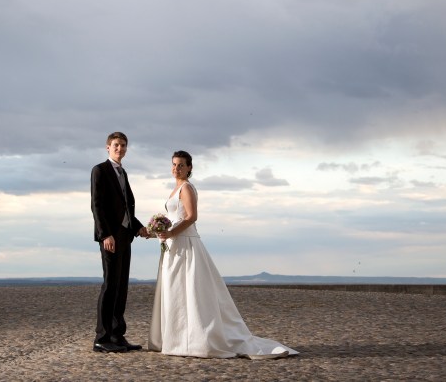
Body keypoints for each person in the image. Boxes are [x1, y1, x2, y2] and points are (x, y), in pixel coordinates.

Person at [147, 150, 299, 359]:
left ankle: (193, 339)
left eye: (181, 165)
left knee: (191, 290)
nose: (176, 169)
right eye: (174, 164)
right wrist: (157, 231)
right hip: (173, 244)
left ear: (190, 167)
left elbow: (191, 217)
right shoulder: (175, 189)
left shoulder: (187, 188)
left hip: (186, 244)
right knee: (176, 290)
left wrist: (172, 232)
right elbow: (175, 216)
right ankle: (175, 337)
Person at [91, 132, 148, 353]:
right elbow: (97, 206)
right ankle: (101, 337)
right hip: (110, 238)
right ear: (107, 147)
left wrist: (139, 228)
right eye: (116, 145)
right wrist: (105, 234)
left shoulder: (123, 172)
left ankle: (117, 335)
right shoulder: (100, 170)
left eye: (123, 145)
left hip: (125, 236)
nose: (120, 148)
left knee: (122, 286)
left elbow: (125, 209)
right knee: (110, 285)